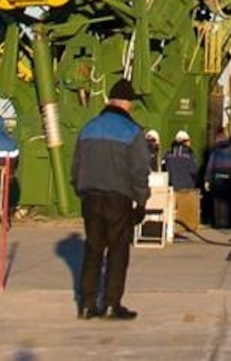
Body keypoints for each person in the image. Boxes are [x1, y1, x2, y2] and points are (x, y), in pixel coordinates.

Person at [70, 78, 146, 322]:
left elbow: (75, 166)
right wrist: (141, 202)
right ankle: (112, 305)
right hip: (118, 199)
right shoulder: (132, 132)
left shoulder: (88, 128)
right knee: (117, 251)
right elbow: (139, 170)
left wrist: (81, 190)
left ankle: (86, 304)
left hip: (90, 198)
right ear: (127, 103)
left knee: (93, 250)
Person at [163, 132, 199, 233]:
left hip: (171, 187)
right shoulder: (189, 154)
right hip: (186, 187)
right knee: (184, 211)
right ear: (186, 142)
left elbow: (164, 168)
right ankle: (185, 226)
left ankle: (170, 228)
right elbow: (194, 170)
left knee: (171, 209)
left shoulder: (168, 154)